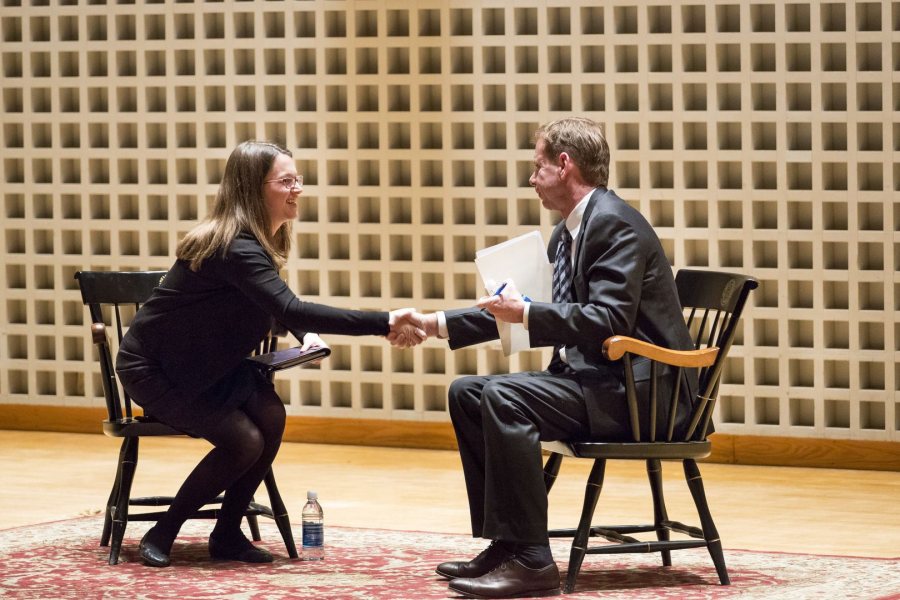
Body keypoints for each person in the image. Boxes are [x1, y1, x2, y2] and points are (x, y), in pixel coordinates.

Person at [408, 117, 697, 598]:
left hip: (645, 397)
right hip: (601, 382)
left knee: (503, 394)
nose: (531, 179)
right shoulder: (570, 232)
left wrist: (524, 311)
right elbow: (529, 309)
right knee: (468, 394)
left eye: (536, 166)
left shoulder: (614, 224)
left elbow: (607, 319)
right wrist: (435, 323)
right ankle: (507, 543)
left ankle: (533, 560)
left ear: (564, 165)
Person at [116, 140, 424, 568]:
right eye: (286, 181)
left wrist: (307, 333)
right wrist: (386, 319)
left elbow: (279, 306)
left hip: (207, 366)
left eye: (298, 179)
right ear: (251, 189)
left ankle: (226, 534)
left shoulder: (257, 243)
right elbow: (288, 307)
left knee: (271, 417)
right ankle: (164, 530)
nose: (297, 189)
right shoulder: (233, 246)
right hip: (157, 370)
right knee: (244, 441)